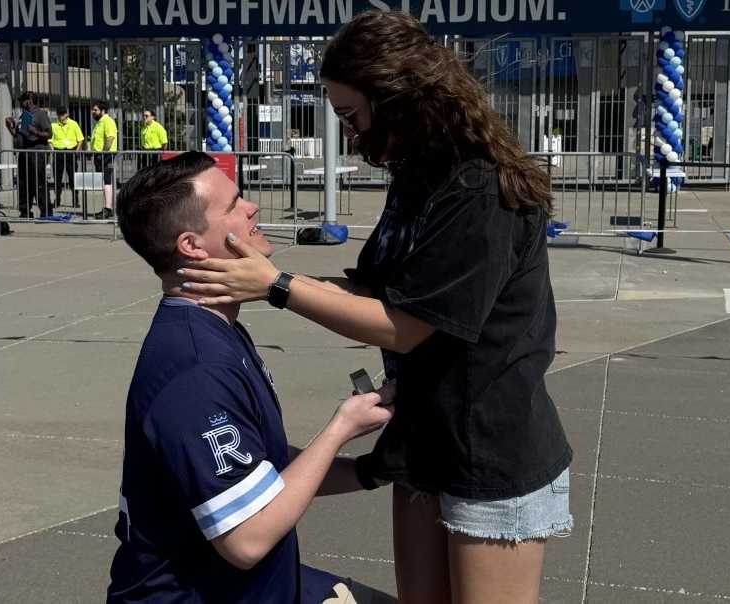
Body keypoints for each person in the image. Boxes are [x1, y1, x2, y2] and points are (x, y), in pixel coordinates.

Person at [176, 12, 573, 604]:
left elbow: (406, 327)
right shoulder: (418, 177)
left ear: (396, 99)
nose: (350, 132)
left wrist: (277, 286)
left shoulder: (479, 190)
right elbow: (374, 294)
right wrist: (266, 280)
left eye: (351, 114)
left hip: (488, 448)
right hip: (425, 438)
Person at [106, 151, 395, 604]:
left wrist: (371, 471)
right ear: (192, 246)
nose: (252, 207)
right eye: (233, 205)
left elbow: (262, 470)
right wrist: (341, 428)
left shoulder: (215, 328)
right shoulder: (195, 371)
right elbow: (247, 540)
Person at [5, 90, 52, 219]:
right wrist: (10, 127)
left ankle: (46, 212)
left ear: (29, 101)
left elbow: (49, 134)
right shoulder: (23, 115)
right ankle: (25, 211)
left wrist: (36, 132)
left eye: (22, 101)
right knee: (23, 183)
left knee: (38, 182)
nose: (21, 103)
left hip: (37, 153)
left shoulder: (40, 114)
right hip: (24, 153)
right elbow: (18, 135)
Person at [50, 106, 84, 207]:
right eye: (59, 114)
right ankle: (57, 199)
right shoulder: (54, 125)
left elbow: (80, 139)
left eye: (63, 114)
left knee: (73, 178)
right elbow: (50, 140)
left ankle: (75, 200)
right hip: (58, 152)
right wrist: (53, 151)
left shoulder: (74, 124)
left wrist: (76, 152)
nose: (61, 116)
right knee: (57, 178)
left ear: (66, 114)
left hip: (71, 152)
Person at [90, 101, 117, 220]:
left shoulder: (107, 121)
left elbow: (110, 138)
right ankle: (107, 207)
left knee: (107, 181)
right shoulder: (99, 123)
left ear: (103, 111)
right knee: (104, 182)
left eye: (95, 110)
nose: (93, 112)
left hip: (106, 155)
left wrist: (103, 153)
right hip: (100, 155)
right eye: (93, 110)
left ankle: (108, 209)